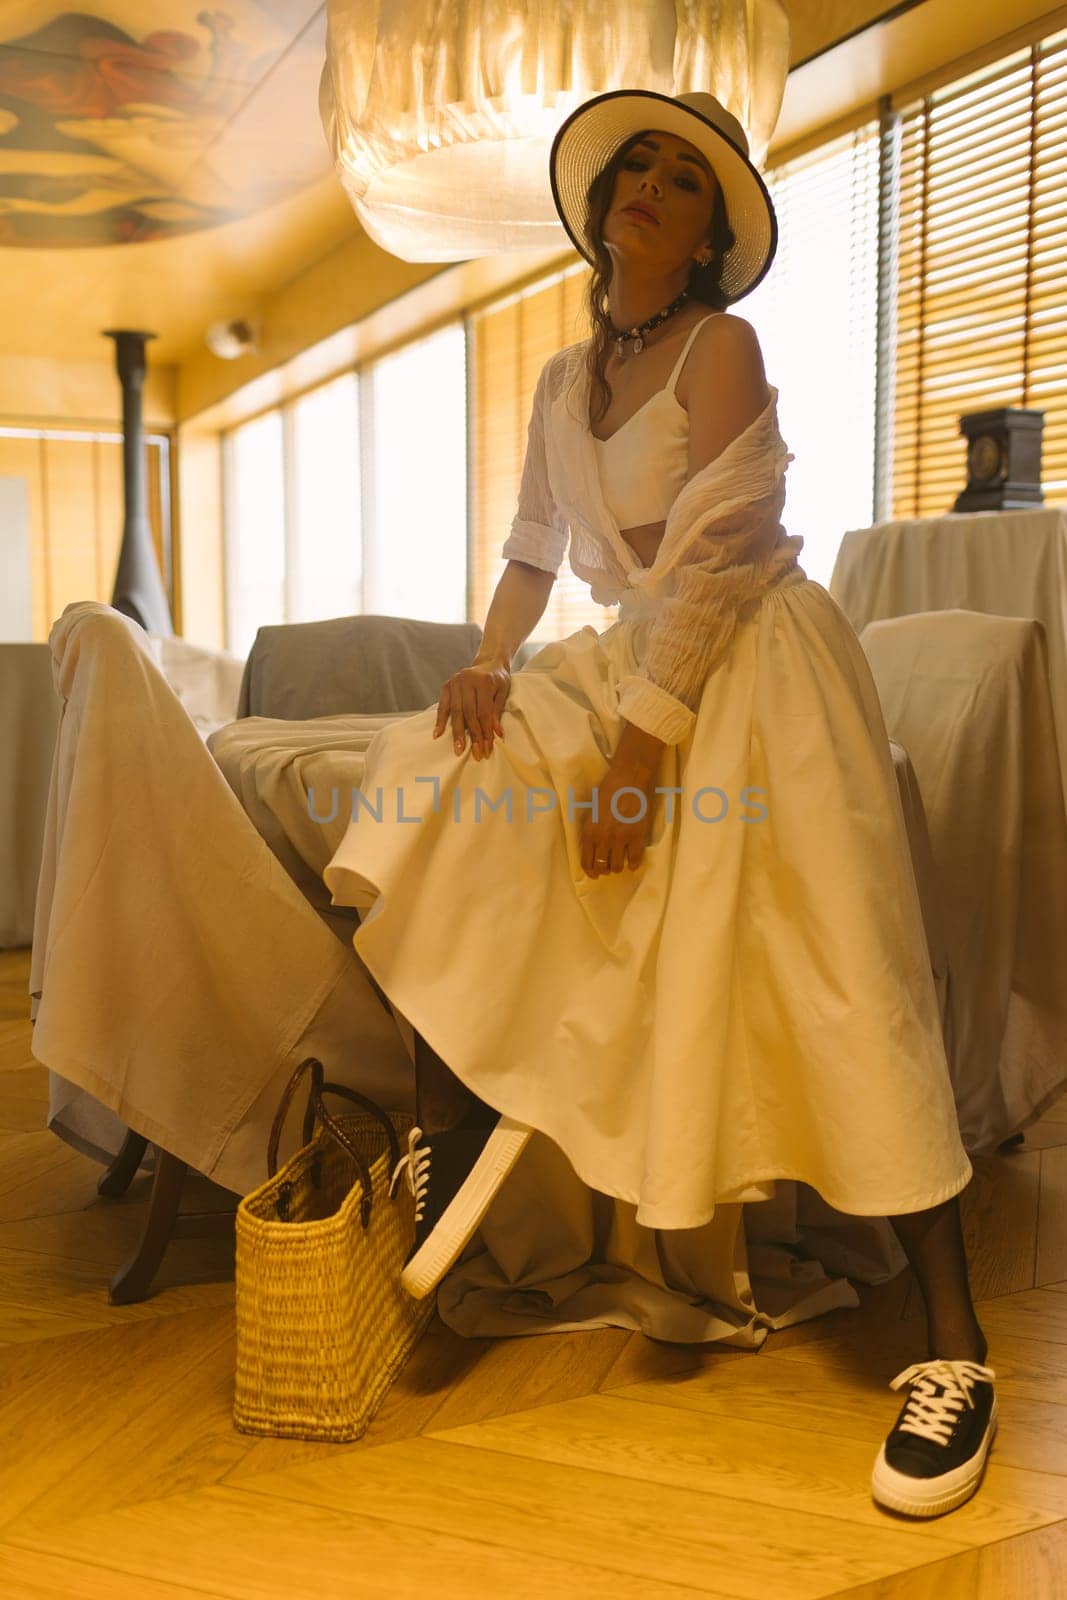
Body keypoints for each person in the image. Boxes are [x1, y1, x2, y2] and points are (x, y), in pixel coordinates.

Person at [322, 88, 997, 1519]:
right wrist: (491, 665)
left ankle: (958, 1349)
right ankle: (447, 1156)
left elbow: (717, 554)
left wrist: (640, 756)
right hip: (628, 651)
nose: (648, 186)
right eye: (634, 166)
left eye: (684, 180)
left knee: (839, 979)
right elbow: (529, 547)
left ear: (706, 241)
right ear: (599, 208)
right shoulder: (565, 382)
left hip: (752, 657)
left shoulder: (722, 345)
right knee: (434, 777)